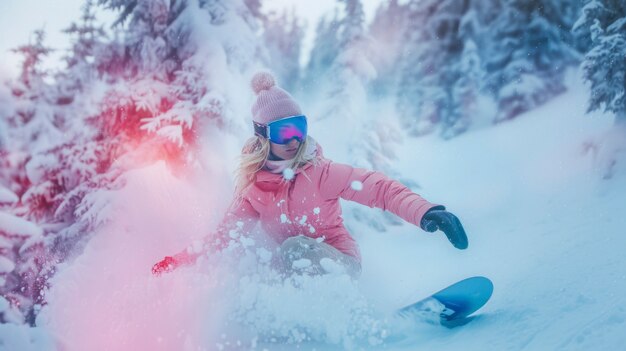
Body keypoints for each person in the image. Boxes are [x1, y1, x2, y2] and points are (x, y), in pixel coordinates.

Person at [152, 72, 468, 279]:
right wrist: (177, 262)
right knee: (251, 268)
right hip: (295, 274)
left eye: (299, 127)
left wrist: (428, 213)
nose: (294, 139)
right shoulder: (253, 191)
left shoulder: (320, 172)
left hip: (339, 265)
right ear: (263, 136)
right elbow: (221, 240)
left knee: (295, 249)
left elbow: (379, 188)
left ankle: (337, 320)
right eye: (283, 130)